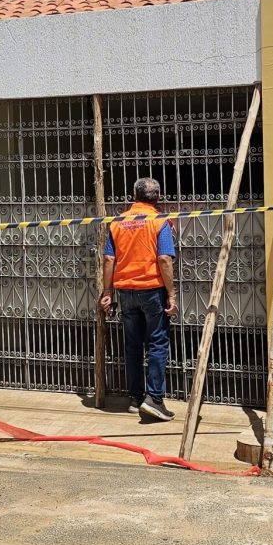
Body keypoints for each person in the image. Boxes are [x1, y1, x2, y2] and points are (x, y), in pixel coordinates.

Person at [99, 177, 178, 421]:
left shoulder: (119, 221)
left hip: (125, 291)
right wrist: (172, 294)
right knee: (156, 343)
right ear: (158, 197)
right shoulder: (159, 220)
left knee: (132, 345)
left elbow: (108, 259)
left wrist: (108, 292)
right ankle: (154, 398)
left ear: (134, 196)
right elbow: (164, 259)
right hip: (152, 290)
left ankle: (134, 398)